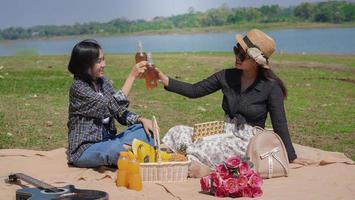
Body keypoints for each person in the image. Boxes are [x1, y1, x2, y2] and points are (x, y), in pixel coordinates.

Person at [157, 29, 312, 177]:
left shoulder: (271, 87)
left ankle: (201, 166)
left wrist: (291, 156)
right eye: (236, 50)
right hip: (224, 130)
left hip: (248, 140)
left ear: (256, 61)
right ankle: (192, 160)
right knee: (178, 131)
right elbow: (194, 90)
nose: (237, 56)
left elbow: (279, 122)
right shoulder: (226, 75)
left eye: (243, 54)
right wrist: (165, 79)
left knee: (203, 147)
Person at [67, 39, 154, 168]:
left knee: (145, 130)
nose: (104, 64)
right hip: (85, 149)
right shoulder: (78, 88)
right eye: (98, 61)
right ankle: (132, 151)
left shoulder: (103, 82)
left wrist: (141, 120)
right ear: (85, 65)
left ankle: (129, 151)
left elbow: (118, 111)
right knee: (113, 148)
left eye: (103, 59)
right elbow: (109, 106)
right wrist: (131, 77)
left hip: (108, 140)